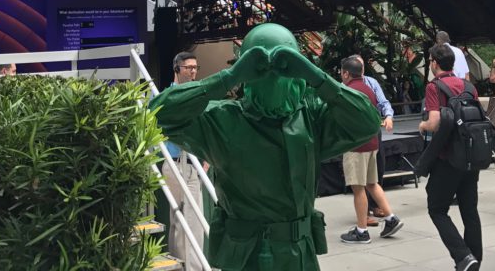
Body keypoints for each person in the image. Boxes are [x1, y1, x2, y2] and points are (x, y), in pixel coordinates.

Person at [149, 23, 382, 271]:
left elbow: (367, 122)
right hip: (246, 256)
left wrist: (318, 77)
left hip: (297, 255)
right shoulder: (223, 119)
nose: (274, 77)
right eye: (262, 69)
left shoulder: (311, 118)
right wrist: (228, 78)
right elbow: (157, 114)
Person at [419, 44, 482, 271]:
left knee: (437, 209)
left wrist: (423, 125)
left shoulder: (434, 87)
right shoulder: (468, 86)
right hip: (471, 155)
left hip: (447, 156)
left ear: (434, 63)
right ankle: (475, 258)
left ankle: (463, 256)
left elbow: (435, 122)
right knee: (469, 210)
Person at [339, 56, 403, 244]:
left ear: (346, 73)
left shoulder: (348, 91)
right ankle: (391, 218)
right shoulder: (368, 88)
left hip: (356, 145)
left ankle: (362, 231)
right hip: (372, 143)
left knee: (358, 188)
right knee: (372, 184)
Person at [162, 52, 207, 271]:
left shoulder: (196, 97)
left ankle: (185, 267)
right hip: (173, 162)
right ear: (177, 69)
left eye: (195, 67)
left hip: (192, 164)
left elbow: (205, 129)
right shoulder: (166, 96)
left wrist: (206, 160)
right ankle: (188, 267)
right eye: (189, 67)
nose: (193, 71)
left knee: (190, 220)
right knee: (182, 219)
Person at [348, 54, 394, 224]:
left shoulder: (370, 83)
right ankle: (369, 216)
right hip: (359, 136)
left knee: (372, 176)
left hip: (370, 133)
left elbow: (383, 102)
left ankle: (375, 214)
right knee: (363, 182)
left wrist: (388, 116)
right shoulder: (347, 87)